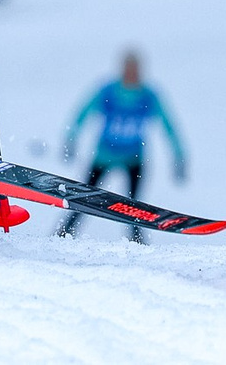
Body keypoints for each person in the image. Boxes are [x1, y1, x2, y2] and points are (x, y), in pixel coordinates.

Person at [56, 51, 185, 241]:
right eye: (128, 69)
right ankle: (63, 235)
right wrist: (71, 139)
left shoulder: (149, 96)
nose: (132, 73)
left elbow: (169, 125)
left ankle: (138, 243)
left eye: (135, 70)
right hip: (103, 156)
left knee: (134, 209)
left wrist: (179, 156)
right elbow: (83, 112)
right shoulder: (108, 91)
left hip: (134, 159)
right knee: (82, 201)